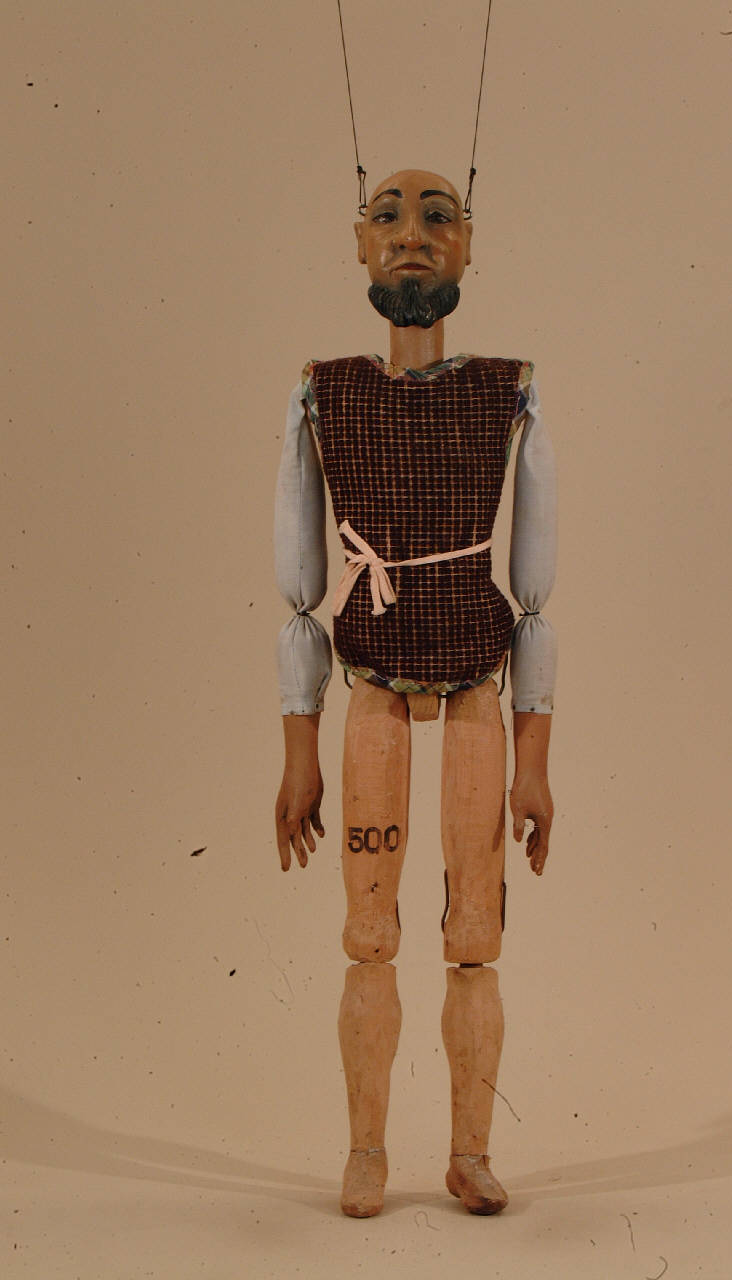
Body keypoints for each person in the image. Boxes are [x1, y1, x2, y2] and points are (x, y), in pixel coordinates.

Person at [273, 169, 556, 1216]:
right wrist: (299, 753)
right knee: (369, 928)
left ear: (469, 244)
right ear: (359, 242)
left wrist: (534, 763)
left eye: (439, 216)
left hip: (478, 677)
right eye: (387, 215)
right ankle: (367, 1149)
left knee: (475, 930)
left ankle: (470, 1150)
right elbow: (301, 594)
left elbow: (533, 597)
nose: (412, 236)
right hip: (373, 682)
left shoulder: (508, 391)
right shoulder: (326, 392)